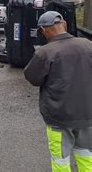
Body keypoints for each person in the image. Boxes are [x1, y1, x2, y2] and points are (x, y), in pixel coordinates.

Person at [24, 11, 92, 172]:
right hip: (87, 115)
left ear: (43, 29)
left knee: (60, 160)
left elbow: (33, 78)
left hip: (59, 118)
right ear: (65, 25)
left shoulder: (45, 52)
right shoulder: (88, 45)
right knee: (86, 156)